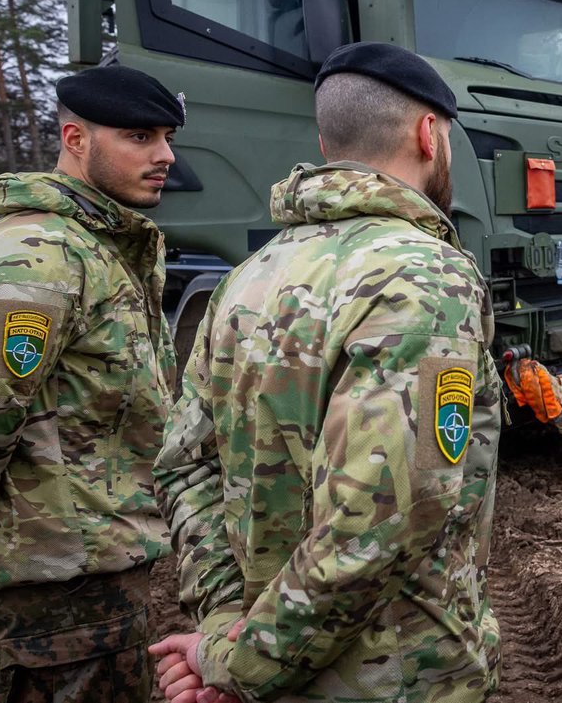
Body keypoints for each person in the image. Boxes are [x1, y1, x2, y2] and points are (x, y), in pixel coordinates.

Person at [149, 42, 502, 703]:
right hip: (395, 681)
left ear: (325, 139)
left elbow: (183, 464)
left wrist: (226, 635)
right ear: (430, 134)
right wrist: (244, 661)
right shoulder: (427, 277)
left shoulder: (245, 279)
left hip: (274, 661)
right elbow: (391, 511)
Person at [0, 65, 182, 701]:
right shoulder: (38, 254)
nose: (164, 156)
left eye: (166, 137)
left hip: (93, 587)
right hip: (45, 601)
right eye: (139, 136)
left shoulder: (100, 245)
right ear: (76, 140)